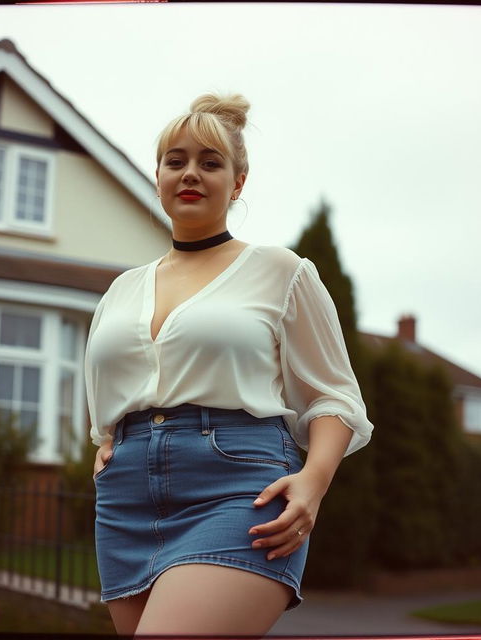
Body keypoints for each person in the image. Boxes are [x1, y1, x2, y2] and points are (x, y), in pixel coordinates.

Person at [84, 93, 374, 637]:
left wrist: (313, 481)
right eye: (176, 161)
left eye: (210, 162)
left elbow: (334, 396)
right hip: (126, 502)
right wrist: (108, 444)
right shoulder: (122, 289)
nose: (190, 173)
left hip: (238, 487)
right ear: (159, 176)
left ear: (238, 182)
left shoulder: (280, 271)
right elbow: (109, 397)